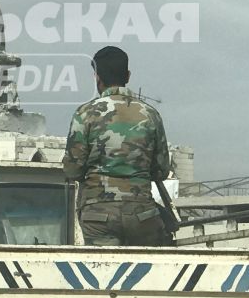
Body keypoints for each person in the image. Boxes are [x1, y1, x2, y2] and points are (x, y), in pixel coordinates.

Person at [62, 45, 174, 247]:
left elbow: (72, 170)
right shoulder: (150, 114)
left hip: (98, 216)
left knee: (104, 273)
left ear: (97, 77)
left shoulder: (85, 114)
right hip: (142, 215)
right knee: (144, 274)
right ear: (128, 76)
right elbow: (161, 170)